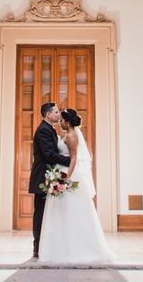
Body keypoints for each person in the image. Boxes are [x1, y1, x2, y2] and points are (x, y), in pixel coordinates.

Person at [38, 108, 115, 264]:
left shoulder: (72, 136)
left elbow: (73, 158)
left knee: (71, 211)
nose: (60, 122)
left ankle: (76, 248)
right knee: (61, 212)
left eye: (62, 120)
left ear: (67, 122)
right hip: (60, 173)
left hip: (68, 175)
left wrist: (67, 177)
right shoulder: (66, 135)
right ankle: (60, 247)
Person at [29, 102, 71, 259]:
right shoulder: (43, 131)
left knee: (48, 213)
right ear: (48, 114)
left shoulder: (50, 129)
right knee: (40, 213)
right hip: (42, 178)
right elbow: (50, 155)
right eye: (56, 112)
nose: (59, 114)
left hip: (50, 176)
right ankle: (38, 247)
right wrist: (72, 161)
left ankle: (48, 246)